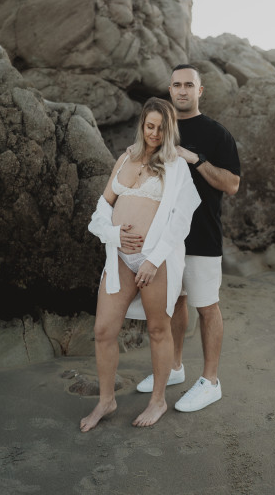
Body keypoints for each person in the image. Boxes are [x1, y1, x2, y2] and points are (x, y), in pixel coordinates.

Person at [81, 97, 201, 431]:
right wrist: (113, 234)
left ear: (169, 130)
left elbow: (181, 220)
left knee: (158, 330)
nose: (154, 134)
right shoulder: (125, 158)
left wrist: (153, 260)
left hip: (155, 260)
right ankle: (106, 401)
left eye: (161, 129)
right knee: (103, 330)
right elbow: (103, 206)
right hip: (119, 255)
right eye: (150, 126)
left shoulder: (176, 166)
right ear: (142, 125)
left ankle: (158, 401)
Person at [136, 65, 241, 412]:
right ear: (170, 90)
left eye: (188, 85)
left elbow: (232, 184)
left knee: (207, 306)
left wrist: (195, 159)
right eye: (177, 85)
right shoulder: (160, 129)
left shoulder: (217, 134)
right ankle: (174, 368)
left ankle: (210, 382)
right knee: (175, 303)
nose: (182, 90)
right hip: (164, 238)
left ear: (200, 90)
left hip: (202, 236)